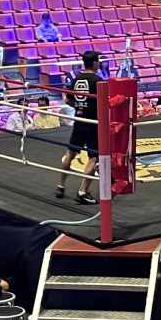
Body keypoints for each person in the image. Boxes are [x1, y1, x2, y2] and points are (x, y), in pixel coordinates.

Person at [56, 51, 101, 205]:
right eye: (98, 61)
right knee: (94, 157)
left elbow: (68, 100)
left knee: (70, 153)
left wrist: (80, 106)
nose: (99, 63)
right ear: (94, 63)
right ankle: (82, 192)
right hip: (93, 122)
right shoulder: (98, 81)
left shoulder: (76, 79)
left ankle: (60, 186)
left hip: (79, 120)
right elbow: (104, 102)